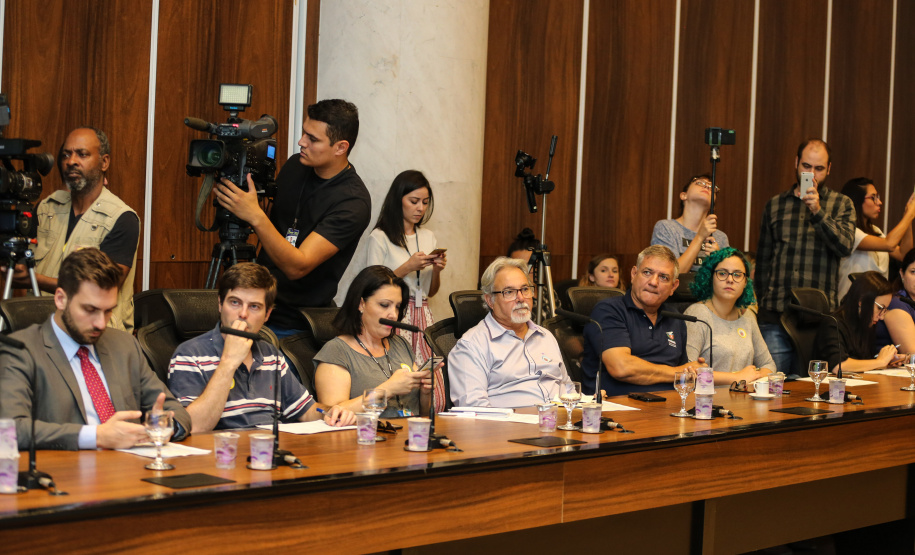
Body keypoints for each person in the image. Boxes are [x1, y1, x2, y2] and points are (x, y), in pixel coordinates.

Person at [0, 248, 189, 450]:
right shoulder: (20, 351)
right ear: (61, 299)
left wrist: (159, 428)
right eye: (90, 310)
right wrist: (96, 436)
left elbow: (177, 413)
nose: (100, 323)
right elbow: (11, 429)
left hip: (130, 470)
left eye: (108, 311)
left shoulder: (125, 345)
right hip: (65, 474)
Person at [215, 99, 371, 337]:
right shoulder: (296, 166)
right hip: (256, 304)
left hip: (297, 324)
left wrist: (255, 216)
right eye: (304, 133)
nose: (301, 142)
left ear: (340, 147)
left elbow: (298, 266)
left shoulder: (352, 202)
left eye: (313, 139)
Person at [167, 263, 354, 432]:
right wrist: (228, 363)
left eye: (254, 307)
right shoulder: (189, 354)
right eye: (234, 302)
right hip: (222, 456)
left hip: (269, 452)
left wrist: (331, 411)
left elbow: (307, 410)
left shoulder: (270, 353)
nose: (243, 314)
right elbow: (193, 426)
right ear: (219, 305)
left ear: (267, 315)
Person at [3, 127, 140, 332]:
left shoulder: (122, 218)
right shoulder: (45, 208)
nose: (71, 161)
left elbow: (103, 285)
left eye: (82, 154)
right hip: (42, 331)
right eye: (66, 154)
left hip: (98, 336)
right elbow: (20, 261)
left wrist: (36, 280)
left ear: (104, 162)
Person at [581, 245, 765, 397]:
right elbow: (622, 367)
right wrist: (680, 371)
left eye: (663, 277)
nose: (654, 282)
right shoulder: (609, 310)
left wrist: (694, 371)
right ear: (633, 274)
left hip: (672, 408)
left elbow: (686, 376)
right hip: (620, 407)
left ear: (673, 287)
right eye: (647, 272)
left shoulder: (675, 317)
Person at [756, 139, 855, 376]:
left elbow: (845, 247)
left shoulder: (842, 204)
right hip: (776, 315)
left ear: (829, 169)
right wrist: (762, 303)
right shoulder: (775, 205)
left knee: (813, 390)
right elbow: (763, 261)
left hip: (818, 318)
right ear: (796, 163)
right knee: (772, 386)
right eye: (806, 166)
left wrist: (818, 211)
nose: (811, 173)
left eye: (819, 168)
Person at [364, 170, 447, 410]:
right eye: (414, 201)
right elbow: (372, 284)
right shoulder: (380, 237)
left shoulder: (428, 236)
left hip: (424, 313)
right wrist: (406, 267)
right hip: (397, 314)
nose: (420, 208)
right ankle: (397, 414)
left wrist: (438, 270)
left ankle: (429, 418)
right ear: (397, 200)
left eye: (425, 202)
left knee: (429, 375)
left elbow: (430, 292)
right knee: (401, 369)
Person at [313, 266, 435, 418]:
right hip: (364, 437)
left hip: (409, 436)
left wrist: (425, 393)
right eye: (384, 305)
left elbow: (422, 415)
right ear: (361, 304)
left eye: (397, 307)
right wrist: (388, 389)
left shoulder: (401, 344)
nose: (393, 315)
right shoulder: (336, 352)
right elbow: (333, 414)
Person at [448, 257, 570, 408]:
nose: (520, 298)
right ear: (490, 300)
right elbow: (473, 409)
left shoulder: (546, 336)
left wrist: (588, 401)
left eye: (525, 289)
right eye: (509, 292)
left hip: (560, 422)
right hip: (512, 427)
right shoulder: (471, 346)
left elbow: (567, 388)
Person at [684, 247, 775, 378]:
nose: (730, 280)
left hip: (744, 396)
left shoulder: (747, 316)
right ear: (710, 278)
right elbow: (688, 370)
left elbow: (769, 365)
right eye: (722, 273)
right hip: (707, 397)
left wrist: (752, 377)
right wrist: (738, 377)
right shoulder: (697, 314)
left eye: (737, 275)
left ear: (745, 282)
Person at [837, 177, 915, 301]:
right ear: (856, 200)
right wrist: (910, 214)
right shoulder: (848, 232)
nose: (879, 202)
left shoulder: (876, 231)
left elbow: (904, 255)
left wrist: (908, 215)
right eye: (873, 197)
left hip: (877, 306)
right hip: (852, 306)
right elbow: (889, 244)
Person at [813, 271, 899, 373]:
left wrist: (888, 359)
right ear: (861, 302)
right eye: (880, 308)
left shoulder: (866, 324)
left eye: (885, 310)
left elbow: (865, 361)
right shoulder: (833, 323)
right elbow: (838, 366)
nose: (881, 317)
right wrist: (880, 361)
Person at [651, 174, 729, 272]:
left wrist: (719, 261)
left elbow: (727, 278)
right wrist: (700, 237)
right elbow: (669, 274)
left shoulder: (720, 237)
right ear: (684, 195)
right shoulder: (666, 228)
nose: (706, 186)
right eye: (699, 183)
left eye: (711, 187)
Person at [877, 248, 915, 353]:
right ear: (902, 273)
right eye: (913, 272)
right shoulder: (896, 303)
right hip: (884, 367)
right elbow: (912, 354)